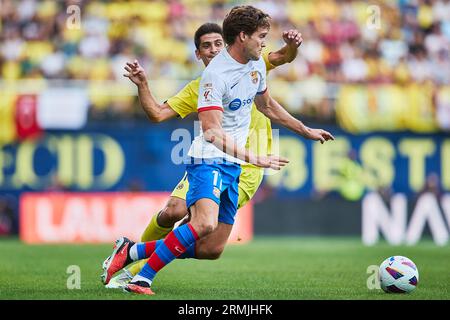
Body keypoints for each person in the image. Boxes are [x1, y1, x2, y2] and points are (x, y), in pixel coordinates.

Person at [103, 5, 334, 295]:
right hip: (212, 158)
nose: (264, 42)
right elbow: (203, 129)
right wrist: (144, 85)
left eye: (216, 43)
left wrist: (306, 130)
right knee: (190, 218)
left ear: (226, 42)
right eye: (205, 46)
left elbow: (270, 98)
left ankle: (131, 252)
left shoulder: (256, 61)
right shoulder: (212, 79)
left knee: (210, 247)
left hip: (241, 167)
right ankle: (141, 277)